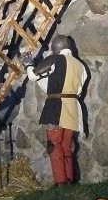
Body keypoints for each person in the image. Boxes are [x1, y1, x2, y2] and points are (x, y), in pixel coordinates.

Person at [24, 34, 87, 186]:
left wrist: (29, 64)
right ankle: (69, 180)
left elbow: (33, 75)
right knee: (66, 145)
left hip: (56, 107)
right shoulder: (80, 65)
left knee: (54, 144)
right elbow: (78, 90)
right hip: (73, 107)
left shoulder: (55, 59)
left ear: (55, 48)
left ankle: (60, 181)